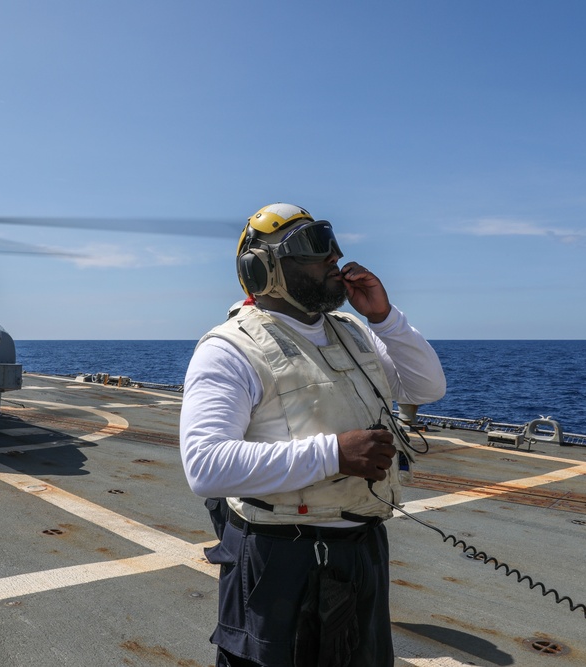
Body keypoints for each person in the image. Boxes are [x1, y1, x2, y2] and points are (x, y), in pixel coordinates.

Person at [180, 203, 446, 667]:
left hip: (362, 549)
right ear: (263, 270)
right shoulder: (229, 348)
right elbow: (206, 467)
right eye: (311, 250)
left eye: (331, 245)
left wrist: (385, 318)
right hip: (281, 558)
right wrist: (334, 454)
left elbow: (427, 388)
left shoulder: (352, 331)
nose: (333, 258)